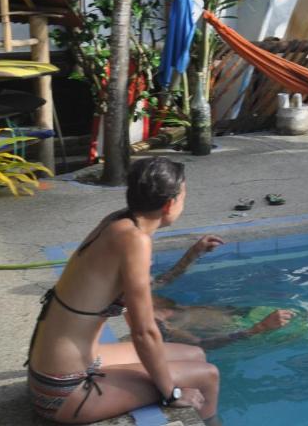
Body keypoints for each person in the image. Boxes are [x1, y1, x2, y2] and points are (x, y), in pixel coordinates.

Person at [25, 157, 222, 424]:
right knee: (207, 376)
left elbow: (146, 293)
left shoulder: (119, 222)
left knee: (195, 355)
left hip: (59, 365)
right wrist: (172, 393)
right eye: (184, 196)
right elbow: (143, 333)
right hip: (63, 389)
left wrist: (192, 254)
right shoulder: (135, 241)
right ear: (169, 204)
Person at [147, 233, 298, 350]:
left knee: (307, 315)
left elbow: (168, 277)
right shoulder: (152, 320)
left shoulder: (143, 291)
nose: (151, 262)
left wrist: (195, 252)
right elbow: (199, 345)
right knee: (305, 333)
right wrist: (259, 328)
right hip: (244, 330)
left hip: (239, 313)